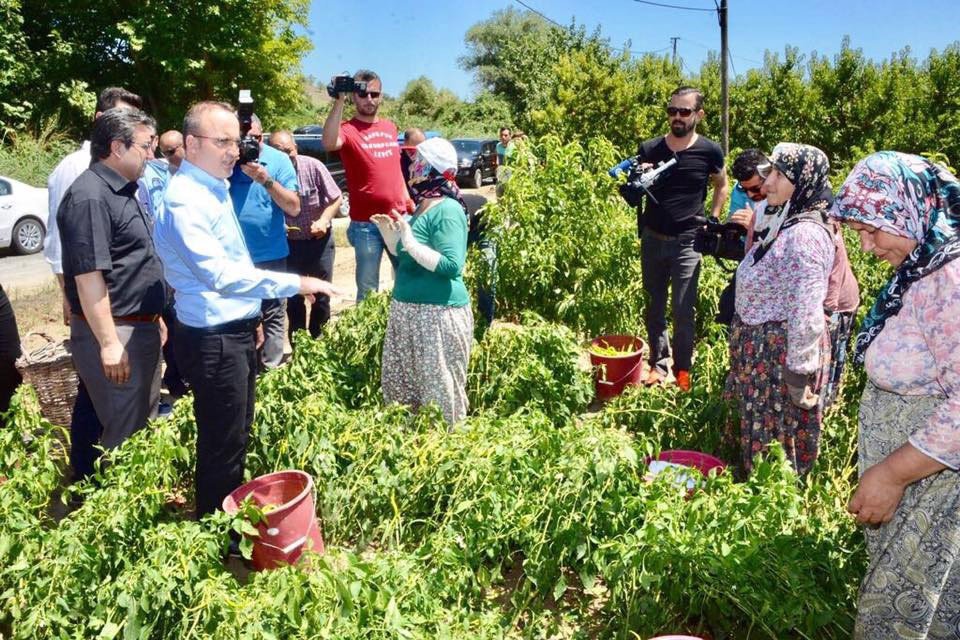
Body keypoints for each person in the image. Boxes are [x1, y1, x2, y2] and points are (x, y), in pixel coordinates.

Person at [154, 101, 338, 517]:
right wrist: (299, 282)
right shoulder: (186, 201)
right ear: (191, 143)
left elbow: (235, 262)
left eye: (236, 142)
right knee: (223, 441)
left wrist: (252, 317)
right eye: (222, 142)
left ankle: (227, 521)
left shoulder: (211, 187)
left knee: (236, 431)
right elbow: (222, 275)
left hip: (231, 329)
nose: (233, 152)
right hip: (213, 339)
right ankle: (216, 533)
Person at [830, 151, 960, 640]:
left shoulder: (948, 281)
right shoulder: (921, 267)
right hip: (921, 484)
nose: (866, 245)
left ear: (909, 211)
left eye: (873, 229)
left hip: (935, 488)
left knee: (903, 618)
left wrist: (891, 474)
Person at [57, 107, 166, 460]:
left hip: (136, 328)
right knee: (124, 437)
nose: (152, 154)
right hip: (116, 333)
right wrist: (108, 343)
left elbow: (132, 264)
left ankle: (137, 505)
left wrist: (154, 317)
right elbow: (90, 277)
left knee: (140, 425)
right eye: (146, 146)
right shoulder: (90, 196)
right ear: (118, 147)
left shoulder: (121, 190)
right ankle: (111, 508)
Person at [45, 86, 142, 481]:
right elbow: (64, 244)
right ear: (104, 124)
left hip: (124, 306)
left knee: (102, 398)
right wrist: (72, 302)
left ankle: (92, 475)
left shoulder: (127, 166)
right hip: (101, 307)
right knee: (98, 397)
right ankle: (88, 478)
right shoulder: (75, 170)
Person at [725, 143, 834, 477]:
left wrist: (797, 374)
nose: (767, 183)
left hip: (778, 356)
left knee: (776, 437)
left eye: (777, 175)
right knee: (763, 429)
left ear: (801, 182)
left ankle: (773, 504)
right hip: (763, 349)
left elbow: (806, 311)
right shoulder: (787, 215)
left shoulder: (806, 237)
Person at [370, 138, 473, 424]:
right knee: (404, 389)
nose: (411, 166)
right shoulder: (422, 206)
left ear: (432, 169)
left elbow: (452, 265)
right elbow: (408, 258)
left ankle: (447, 454)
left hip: (437, 315)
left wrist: (409, 241)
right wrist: (392, 236)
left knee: (440, 392)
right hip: (409, 311)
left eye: (417, 161)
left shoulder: (448, 209)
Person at [636, 86, 728, 391]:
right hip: (653, 237)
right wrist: (636, 179)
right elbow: (635, 187)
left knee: (682, 307)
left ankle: (683, 370)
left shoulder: (710, 151)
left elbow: (721, 185)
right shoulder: (650, 149)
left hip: (688, 240)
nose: (677, 116)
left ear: (698, 115)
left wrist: (712, 219)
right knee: (654, 304)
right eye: (672, 110)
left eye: (684, 111)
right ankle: (658, 365)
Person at [322, 69, 411, 302]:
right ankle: (369, 334)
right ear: (354, 97)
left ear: (381, 95)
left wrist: (408, 201)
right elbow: (329, 142)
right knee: (368, 290)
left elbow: (395, 170)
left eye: (375, 94)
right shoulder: (347, 129)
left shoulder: (390, 128)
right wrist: (339, 99)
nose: (369, 99)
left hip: (397, 220)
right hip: (366, 226)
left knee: (408, 279)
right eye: (363, 94)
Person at [229, 114, 300, 369]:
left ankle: (270, 371)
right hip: (233, 256)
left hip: (271, 252)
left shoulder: (278, 160)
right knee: (238, 315)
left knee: (273, 313)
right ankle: (244, 370)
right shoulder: (225, 159)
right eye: (244, 139)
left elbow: (293, 207)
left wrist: (266, 180)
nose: (252, 144)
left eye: (257, 138)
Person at [268, 130, 342, 341]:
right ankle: (299, 345)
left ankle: (319, 342)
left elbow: (335, 198)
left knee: (321, 296)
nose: (286, 156)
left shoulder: (313, 166)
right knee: (293, 297)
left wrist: (324, 220)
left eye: (289, 151)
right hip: (288, 246)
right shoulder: (266, 175)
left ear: (296, 148)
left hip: (319, 243)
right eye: (279, 152)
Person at [400, 127, 426, 199]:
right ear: (405, 143)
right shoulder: (397, 161)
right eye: (412, 150)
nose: (417, 153)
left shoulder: (428, 159)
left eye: (421, 149)